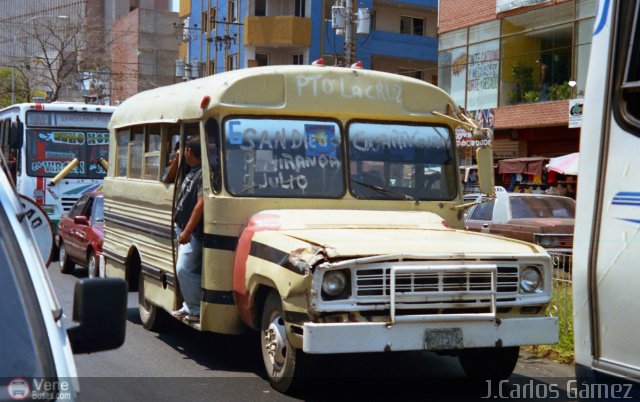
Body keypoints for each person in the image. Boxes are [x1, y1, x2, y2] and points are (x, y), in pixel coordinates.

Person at [167, 136, 204, 322]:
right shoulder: (191, 169)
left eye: (184, 150)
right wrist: (177, 159)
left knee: (184, 269)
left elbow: (200, 204)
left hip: (192, 233)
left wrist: (188, 231)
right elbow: (168, 178)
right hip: (181, 228)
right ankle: (189, 305)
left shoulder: (203, 174)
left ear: (189, 151)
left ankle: (196, 308)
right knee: (185, 269)